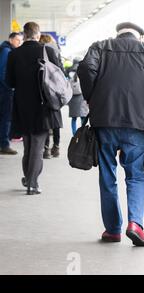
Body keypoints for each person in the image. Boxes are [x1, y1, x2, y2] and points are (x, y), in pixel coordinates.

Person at [78, 22, 144, 246]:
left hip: (105, 121)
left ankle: (113, 229)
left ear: (118, 34)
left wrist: (93, 97)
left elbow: (85, 69)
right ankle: (136, 224)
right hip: (139, 123)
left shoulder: (100, 47)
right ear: (139, 36)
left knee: (107, 175)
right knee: (135, 175)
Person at [6, 22, 64, 195]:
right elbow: (59, 77)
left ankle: (28, 178)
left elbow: (9, 82)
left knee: (28, 146)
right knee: (38, 146)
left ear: (24, 35)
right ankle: (33, 182)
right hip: (43, 105)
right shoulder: (48, 51)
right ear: (38, 35)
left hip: (22, 105)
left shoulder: (14, 54)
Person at [39, 34, 62, 158]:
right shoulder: (55, 50)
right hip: (55, 89)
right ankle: (56, 147)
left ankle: (46, 149)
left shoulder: (39, 50)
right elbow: (61, 70)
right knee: (56, 119)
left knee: (46, 119)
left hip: (42, 88)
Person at [0, 32, 23, 155]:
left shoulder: (5, 49)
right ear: (11, 39)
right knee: (6, 117)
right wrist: (11, 87)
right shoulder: (6, 51)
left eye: (21, 41)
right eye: (17, 40)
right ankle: (4, 144)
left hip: (3, 90)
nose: (19, 43)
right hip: (4, 91)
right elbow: (2, 72)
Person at [67, 59, 88, 135]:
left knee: (74, 118)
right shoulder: (83, 71)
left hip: (73, 98)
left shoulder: (69, 71)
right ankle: (82, 133)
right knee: (83, 117)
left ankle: (74, 134)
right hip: (81, 97)